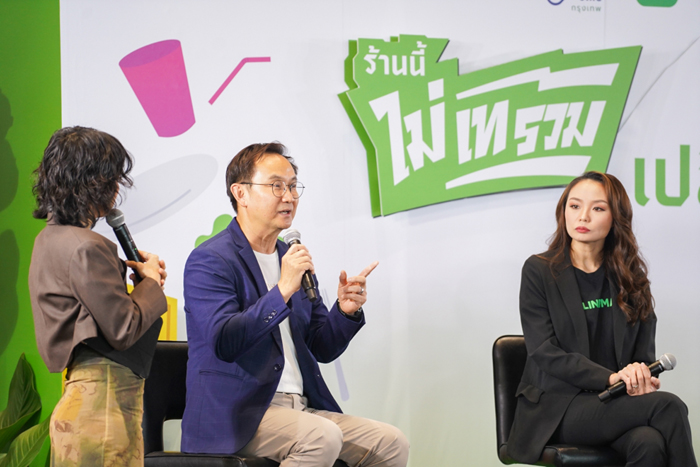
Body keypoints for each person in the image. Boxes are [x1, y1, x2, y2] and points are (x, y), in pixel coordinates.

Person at [181, 142, 409, 466]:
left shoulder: (289, 256)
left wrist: (345, 311)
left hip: (301, 408)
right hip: (238, 414)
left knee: (390, 443)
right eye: (276, 186)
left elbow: (321, 347)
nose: (288, 197)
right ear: (240, 193)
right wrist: (282, 290)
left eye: (292, 186)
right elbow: (225, 341)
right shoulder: (210, 259)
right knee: (322, 437)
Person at [507, 171, 697, 466]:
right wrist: (610, 377)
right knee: (668, 407)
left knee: (648, 443)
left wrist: (639, 376)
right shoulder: (539, 270)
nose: (583, 216)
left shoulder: (631, 277)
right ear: (563, 211)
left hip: (615, 403)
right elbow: (544, 352)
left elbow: (642, 357)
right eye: (574, 206)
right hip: (557, 408)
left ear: (615, 218)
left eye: (597, 208)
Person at [28, 126, 168, 467]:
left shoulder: (48, 240)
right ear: (94, 183)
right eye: (113, 178)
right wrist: (150, 282)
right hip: (103, 409)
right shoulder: (88, 247)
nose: (117, 188)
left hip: (84, 407)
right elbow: (123, 328)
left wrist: (142, 287)